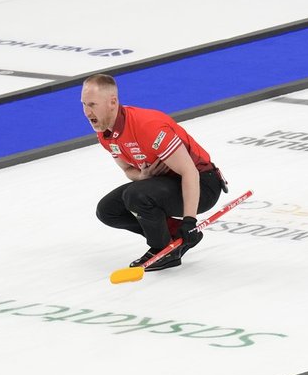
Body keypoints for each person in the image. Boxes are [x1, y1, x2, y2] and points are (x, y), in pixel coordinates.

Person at [82, 74, 226, 271]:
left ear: (112, 102)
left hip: (202, 184)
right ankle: (172, 236)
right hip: (166, 182)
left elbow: (189, 172)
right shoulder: (105, 133)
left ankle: (163, 249)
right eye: (83, 104)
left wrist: (189, 220)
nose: (87, 112)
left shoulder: (148, 126)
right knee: (108, 210)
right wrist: (142, 176)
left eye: (92, 104)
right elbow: (127, 169)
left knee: (136, 195)